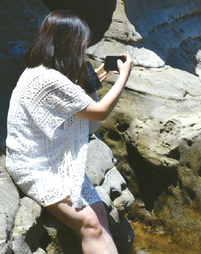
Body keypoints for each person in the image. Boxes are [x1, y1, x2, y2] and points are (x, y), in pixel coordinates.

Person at [5, 10, 132, 253]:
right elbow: (99, 112)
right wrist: (123, 77)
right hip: (36, 165)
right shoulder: (49, 79)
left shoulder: (51, 72)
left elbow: (89, 120)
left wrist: (87, 82)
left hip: (55, 159)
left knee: (100, 215)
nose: (85, 50)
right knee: (90, 224)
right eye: (82, 45)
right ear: (69, 45)